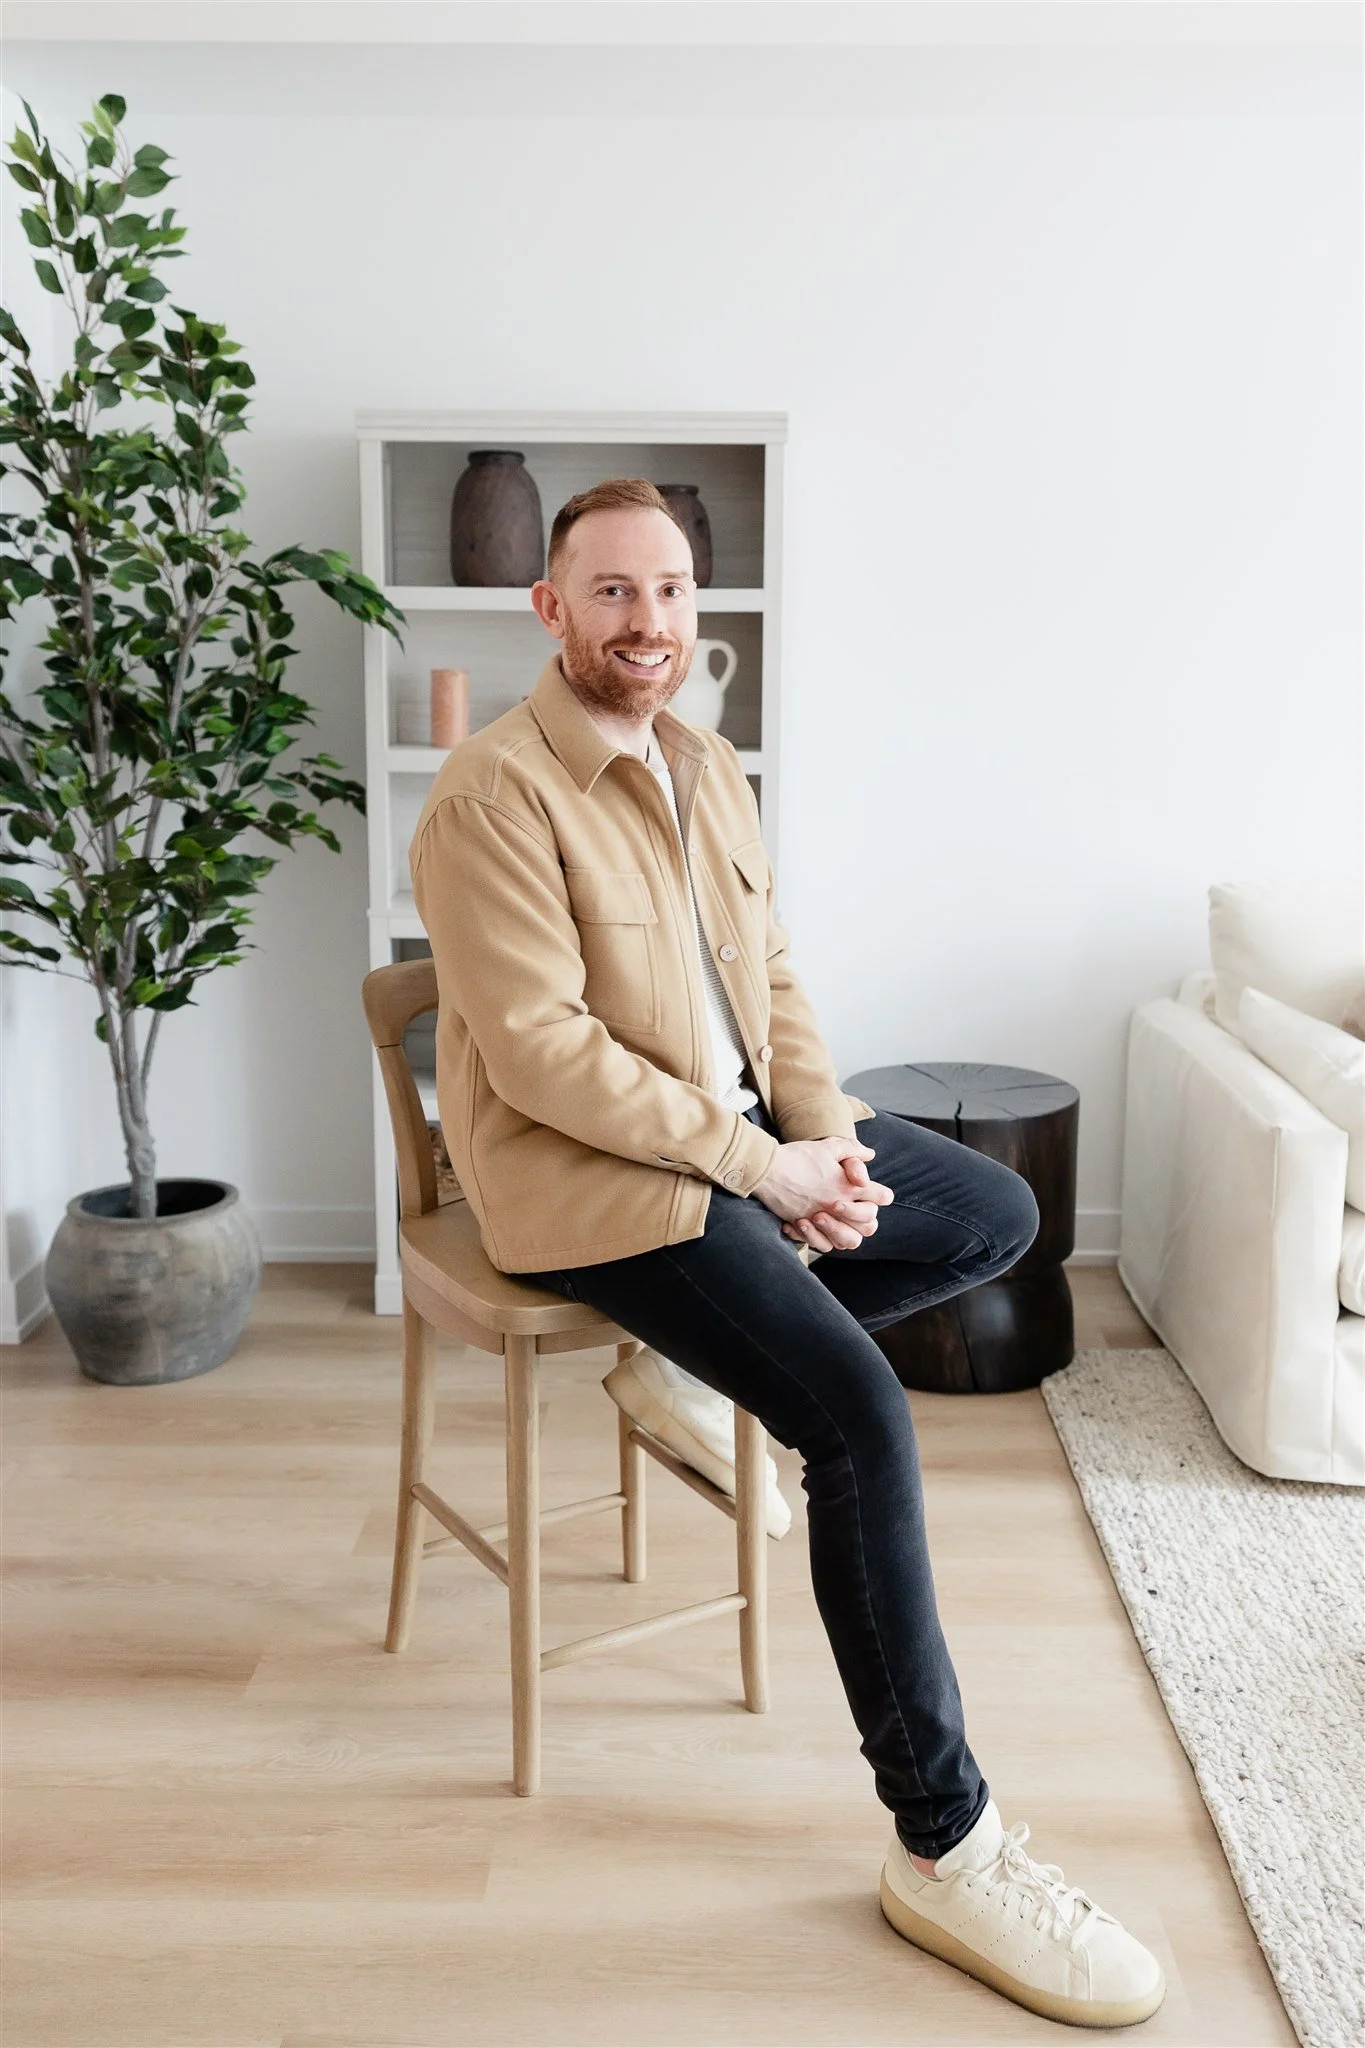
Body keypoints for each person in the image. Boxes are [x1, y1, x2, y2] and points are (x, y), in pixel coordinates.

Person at [409, 478, 1165, 2030]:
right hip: (593, 1189)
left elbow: (776, 978)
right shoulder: (490, 796)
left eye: (672, 592)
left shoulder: (706, 762)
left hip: (734, 1161)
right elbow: (546, 1061)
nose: (650, 623)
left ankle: (695, 1362)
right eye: (613, 593)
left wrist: (822, 1145)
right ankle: (946, 1849)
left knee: (998, 1220)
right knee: (858, 1415)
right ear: (549, 612)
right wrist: (761, 1167)